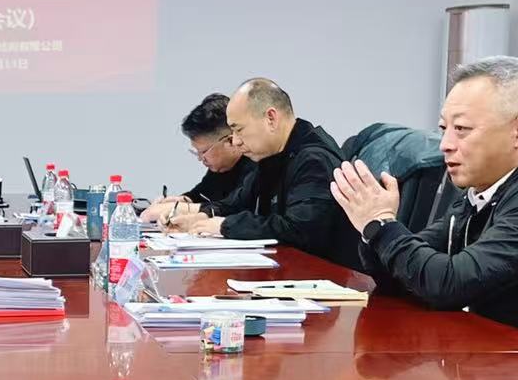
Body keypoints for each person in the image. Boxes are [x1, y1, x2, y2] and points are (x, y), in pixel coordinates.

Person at [332, 56, 518, 367]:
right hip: (507, 364)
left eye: (462, 129)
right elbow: (405, 275)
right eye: (444, 128)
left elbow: (449, 284)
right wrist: (376, 229)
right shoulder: (491, 187)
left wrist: (382, 226)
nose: (444, 144)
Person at [165, 78, 359, 269]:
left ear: (271, 118)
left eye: (239, 130)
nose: (236, 141)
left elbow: (299, 230)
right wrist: (203, 217)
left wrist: (224, 225)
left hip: (326, 276)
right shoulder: (271, 156)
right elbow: (235, 204)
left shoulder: (314, 159)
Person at [143, 93, 257, 224]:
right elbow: (202, 194)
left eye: (203, 152)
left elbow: (235, 207)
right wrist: (182, 200)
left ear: (231, 140)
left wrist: (184, 209)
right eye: (196, 152)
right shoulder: (220, 167)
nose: (200, 158)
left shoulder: (257, 163)